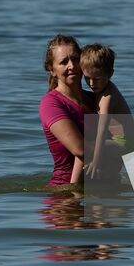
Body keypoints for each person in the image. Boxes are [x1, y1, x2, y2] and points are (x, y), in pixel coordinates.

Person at [39, 34, 93, 188]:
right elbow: (81, 150)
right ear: (52, 70)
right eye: (64, 62)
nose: (72, 66)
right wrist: (118, 144)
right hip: (65, 195)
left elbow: (127, 138)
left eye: (76, 59)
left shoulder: (95, 99)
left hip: (97, 189)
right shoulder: (51, 104)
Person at [79, 44, 134, 186]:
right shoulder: (101, 89)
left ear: (110, 74)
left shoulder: (107, 97)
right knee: (108, 184)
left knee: (82, 146)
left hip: (124, 144)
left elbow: (102, 130)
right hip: (116, 141)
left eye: (97, 78)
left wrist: (96, 161)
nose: (92, 84)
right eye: (87, 78)